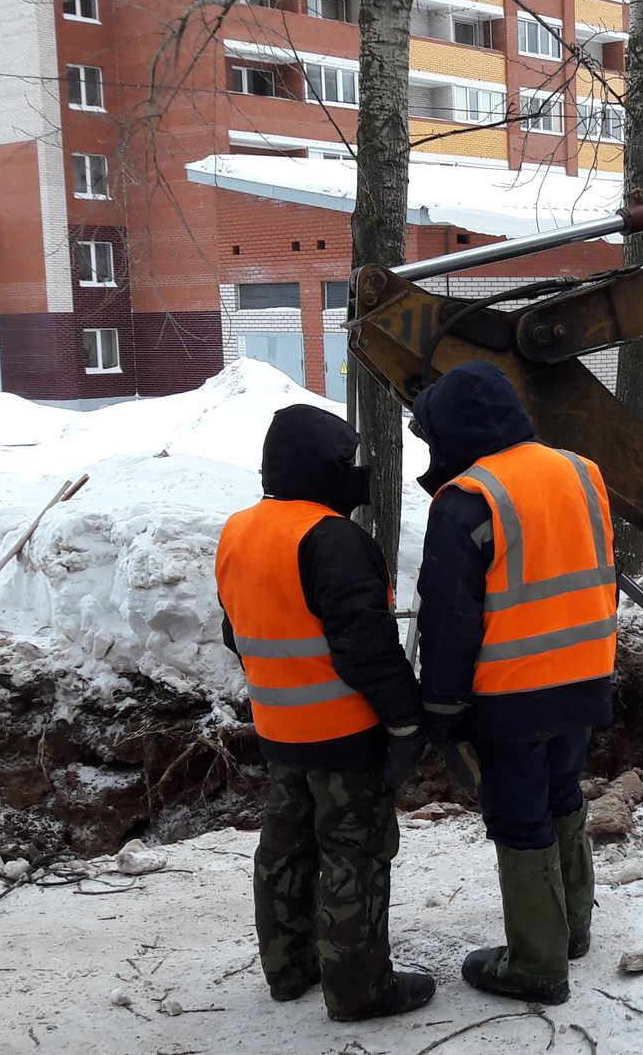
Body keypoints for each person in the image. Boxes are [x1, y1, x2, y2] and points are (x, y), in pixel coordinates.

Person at [215, 404, 434, 1021]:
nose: (356, 473)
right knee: (353, 856)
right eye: (347, 461)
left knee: (284, 849)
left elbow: (235, 632)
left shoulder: (239, 530)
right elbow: (367, 648)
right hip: (345, 734)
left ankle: (288, 971)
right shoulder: (332, 538)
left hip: (278, 729)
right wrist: (406, 721)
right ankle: (360, 990)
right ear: (322, 467)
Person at [413, 362, 616, 1006]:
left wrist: (442, 708)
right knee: (562, 795)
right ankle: (571, 931)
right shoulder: (580, 470)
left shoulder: (469, 499)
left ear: (452, 431)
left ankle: (535, 964)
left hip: (511, 692)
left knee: (518, 816)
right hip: (584, 674)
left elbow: (449, 619)